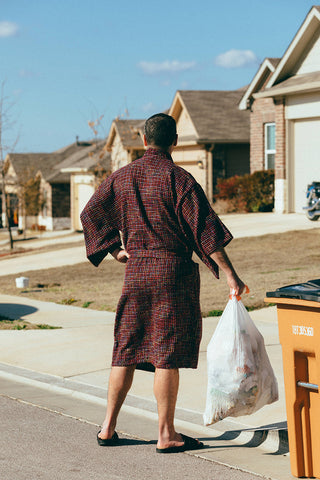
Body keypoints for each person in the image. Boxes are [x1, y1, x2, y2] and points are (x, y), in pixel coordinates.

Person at [80, 113, 245, 453]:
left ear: (143, 141)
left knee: (125, 349)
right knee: (165, 354)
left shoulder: (122, 177)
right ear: (175, 142)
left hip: (137, 272)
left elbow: (91, 213)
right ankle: (166, 434)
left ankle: (107, 427)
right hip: (173, 275)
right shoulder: (180, 180)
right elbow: (206, 232)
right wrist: (231, 275)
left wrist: (114, 249)